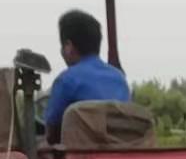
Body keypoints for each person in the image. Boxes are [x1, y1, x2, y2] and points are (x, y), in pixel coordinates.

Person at [44, 9, 130, 140]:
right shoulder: (120, 79)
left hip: (80, 155)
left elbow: (51, 133)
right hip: (121, 152)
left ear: (68, 46)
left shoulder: (66, 80)